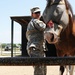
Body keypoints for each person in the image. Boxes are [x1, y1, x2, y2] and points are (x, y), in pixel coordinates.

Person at [26, 7, 47, 75]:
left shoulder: (33, 22)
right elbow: (44, 27)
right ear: (32, 14)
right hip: (36, 49)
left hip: (38, 48)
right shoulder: (35, 21)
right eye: (36, 13)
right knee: (39, 70)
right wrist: (50, 22)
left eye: (39, 13)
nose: (38, 14)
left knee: (42, 69)